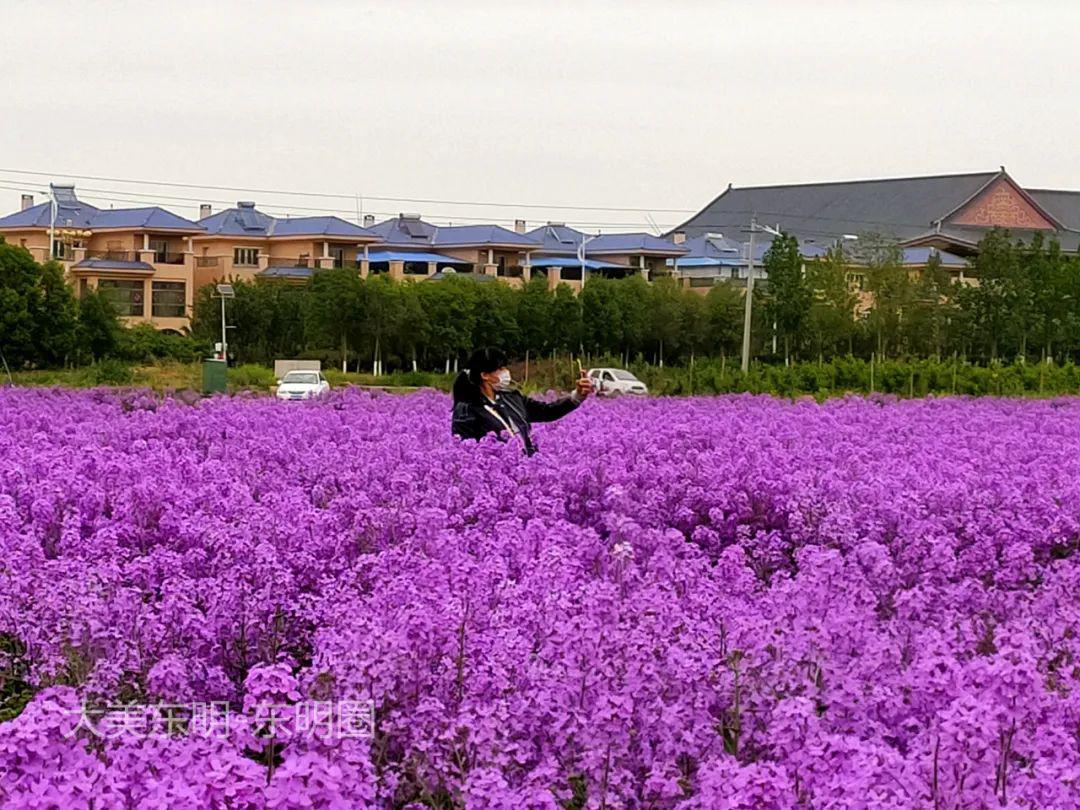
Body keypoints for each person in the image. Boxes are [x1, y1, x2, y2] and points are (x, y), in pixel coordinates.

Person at [451, 347, 592, 455]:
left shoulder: (512, 398)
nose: (506, 372)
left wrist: (577, 396)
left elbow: (547, 411)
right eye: (500, 368)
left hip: (525, 470)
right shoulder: (467, 409)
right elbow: (465, 451)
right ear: (485, 375)